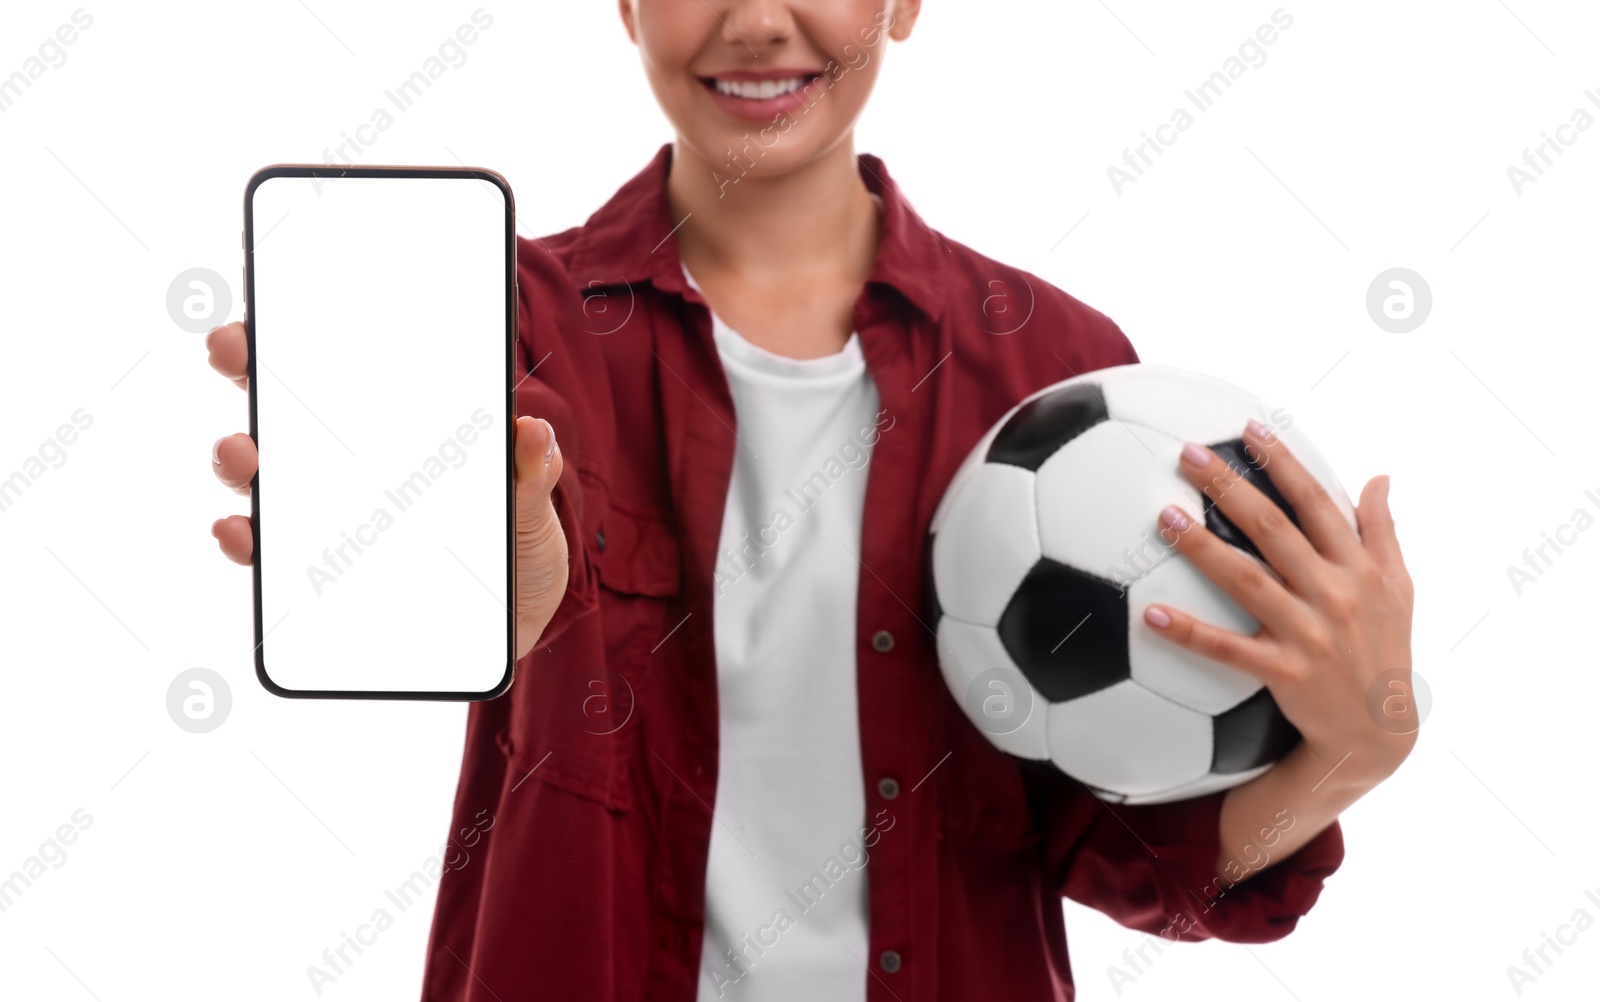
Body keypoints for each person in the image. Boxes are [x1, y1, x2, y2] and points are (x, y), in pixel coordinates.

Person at [206, 1, 1417, 999]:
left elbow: (1110, 844)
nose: (756, 21)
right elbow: (483, 543)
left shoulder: (1050, 369)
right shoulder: (513, 335)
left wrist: (1349, 752)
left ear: (902, 4)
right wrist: (454, 589)